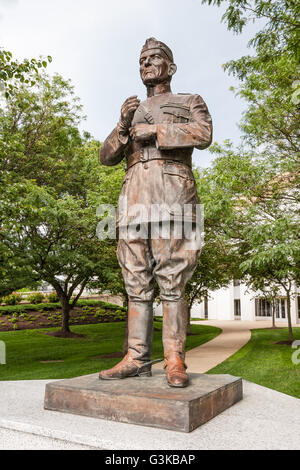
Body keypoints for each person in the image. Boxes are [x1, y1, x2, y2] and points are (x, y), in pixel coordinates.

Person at [99, 37, 212, 387]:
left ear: (171, 67)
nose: (146, 63)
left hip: (173, 196)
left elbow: (204, 133)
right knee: (135, 283)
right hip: (132, 200)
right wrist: (122, 126)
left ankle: (175, 359)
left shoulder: (189, 100)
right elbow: (105, 157)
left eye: (154, 58)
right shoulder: (130, 109)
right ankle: (136, 358)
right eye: (142, 59)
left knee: (172, 281)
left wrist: (156, 130)